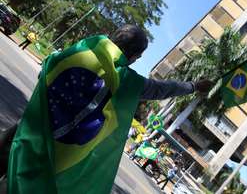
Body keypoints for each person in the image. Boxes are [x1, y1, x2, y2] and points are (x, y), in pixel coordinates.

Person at [7, 24, 213, 194]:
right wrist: (193, 86)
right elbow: (162, 89)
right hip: (56, 158)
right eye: (138, 56)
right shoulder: (125, 81)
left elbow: (46, 72)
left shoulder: (79, 50)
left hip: (25, 136)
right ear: (134, 56)